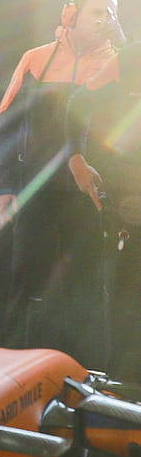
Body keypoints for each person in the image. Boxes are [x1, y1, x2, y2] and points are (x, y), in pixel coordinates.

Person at [0, 0, 120, 360]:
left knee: (88, 288)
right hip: (36, 191)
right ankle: (13, 368)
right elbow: (7, 125)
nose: (106, 18)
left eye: (111, 12)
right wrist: (2, 185)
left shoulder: (121, 62)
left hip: (94, 198)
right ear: (71, 14)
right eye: (98, 11)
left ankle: (84, 375)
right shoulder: (35, 58)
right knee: (26, 282)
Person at [67, 41, 141, 380]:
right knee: (125, 310)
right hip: (128, 213)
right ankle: (123, 393)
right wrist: (76, 156)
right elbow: (78, 102)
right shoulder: (124, 70)